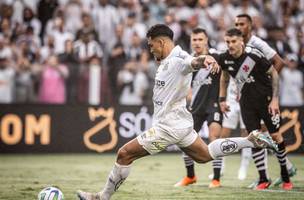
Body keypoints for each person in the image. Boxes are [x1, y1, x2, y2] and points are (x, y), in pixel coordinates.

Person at [77, 24, 277, 200]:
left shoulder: (179, 58)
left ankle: (102, 197)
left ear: (162, 42)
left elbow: (192, 62)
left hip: (167, 128)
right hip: (181, 124)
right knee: (205, 155)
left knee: (124, 154)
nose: (150, 48)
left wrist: (205, 59)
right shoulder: (168, 59)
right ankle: (250, 141)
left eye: (151, 44)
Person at [218, 28, 293, 190]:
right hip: (246, 104)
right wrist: (222, 99)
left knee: (275, 136)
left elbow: (274, 74)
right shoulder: (224, 58)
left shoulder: (254, 55)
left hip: (266, 102)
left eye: (233, 42)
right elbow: (224, 78)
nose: (230, 45)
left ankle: (286, 177)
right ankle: (263, 179)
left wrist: (274, 100)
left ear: (241, 42)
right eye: (227, 42)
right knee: (254, 138)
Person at [234, 14, 296, 189]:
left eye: (242, 24)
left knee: (271, 135)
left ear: (250, 26)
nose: (238, 27)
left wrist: (266, 87)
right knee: (258, 136)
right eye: (236, 24)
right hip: (249, 99)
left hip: (265, 98)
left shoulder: (257, 43)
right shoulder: (235, 46)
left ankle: (285, 173)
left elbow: (279, 62)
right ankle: (266, 176)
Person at [174, 28, 223, 188]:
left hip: (214, 105)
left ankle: (216, 179)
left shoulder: (217, 56)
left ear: (206, 40)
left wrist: (226, 97)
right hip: (195, 107)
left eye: (200, 39)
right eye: (194, 40)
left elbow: (229, 73)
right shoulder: (189, 60)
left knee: (214, 138)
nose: (196, 43)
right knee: (183, 140)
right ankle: (190, 176)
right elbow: (182, 83)